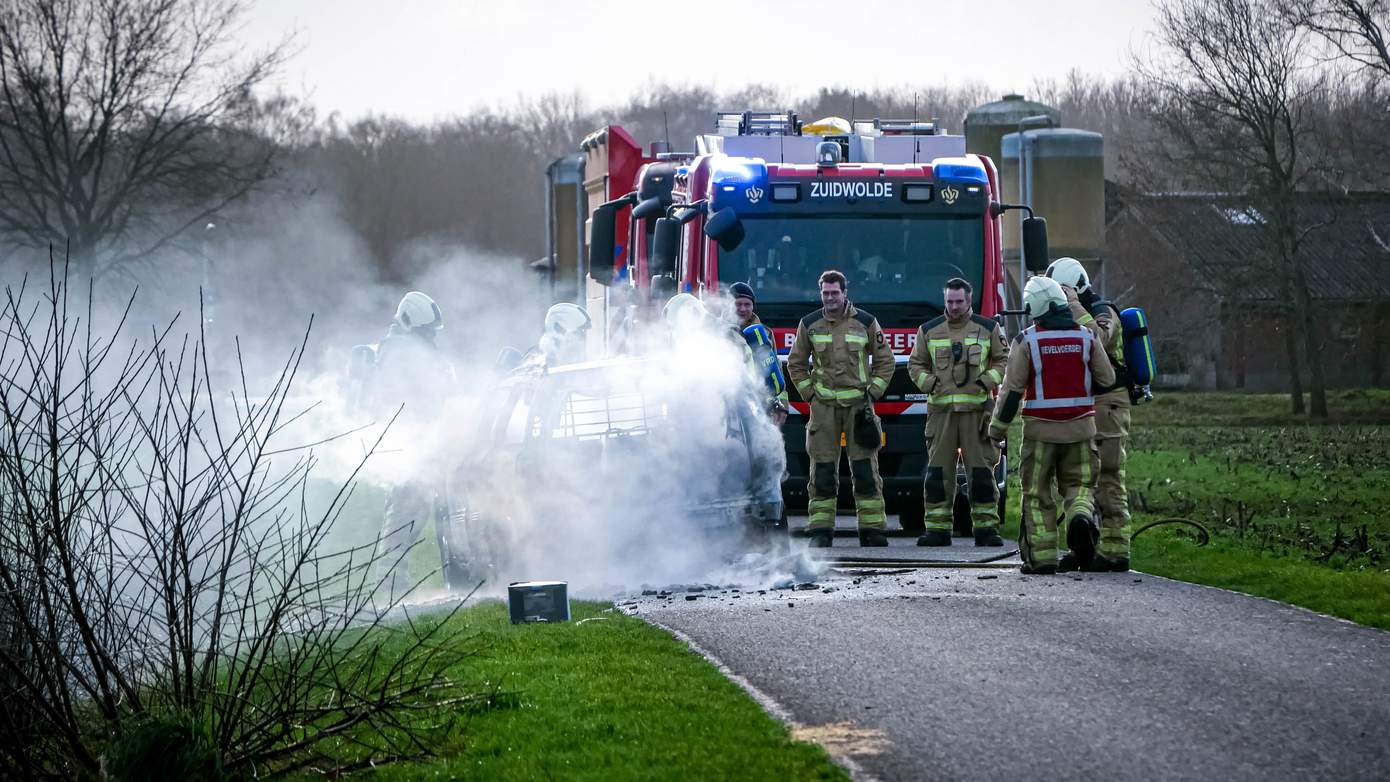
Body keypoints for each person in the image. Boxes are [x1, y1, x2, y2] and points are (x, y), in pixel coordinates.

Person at [988, 276, 1115, 574]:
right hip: (1081, 431)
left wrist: (996, 431)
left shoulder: (1026, 340)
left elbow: (1011, 392)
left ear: (1034, 307)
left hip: (1039, 434)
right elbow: (1107, 379)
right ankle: (1081, 518)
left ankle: (1042, 558)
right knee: (1080, 486)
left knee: (1037, 493)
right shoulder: (1087, 336)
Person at [786, 270, 896, 548]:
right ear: (820, 293)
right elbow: (795, 364)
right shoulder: (809, 324)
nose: (830, 298)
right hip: (823, 408)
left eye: (835, 293)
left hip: (859, 408)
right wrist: (810, 394)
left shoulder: (866, 322)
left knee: (865, 469)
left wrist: (873, 392)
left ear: (845, 293)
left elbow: (886, 361)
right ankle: (821, 530)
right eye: (826, 293)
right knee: (821, 470)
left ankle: (872, 529)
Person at [906, 277, 1008, 547]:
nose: (954, 306)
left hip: (978, 414)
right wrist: (929, 383)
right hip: (941, 414)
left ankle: (987, 529)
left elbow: (1004, 359)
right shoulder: (928, 330)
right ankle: (938, 530)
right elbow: (916, 364)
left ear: (969, 299)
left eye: (959, 301)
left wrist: (987, 380)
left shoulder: (988, 329)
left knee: (982, 474)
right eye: (949, 301)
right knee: (938, 474)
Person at [1047, 258, 1133, 572]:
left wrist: (1072, 304)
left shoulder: (1102, 310)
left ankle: (1115, 550)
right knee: (1079, 477)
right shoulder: (1068, 314)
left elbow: (1099, 338)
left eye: (1064, 292)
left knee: (1108, 476)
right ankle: (1085, 548)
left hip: (1108, 405)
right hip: (1082, 406)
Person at [371, 291, 453, 596]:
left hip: (421, 441)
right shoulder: (399, 353)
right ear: (410, 325)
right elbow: (417, 396)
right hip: (409, 445)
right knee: (404, 516)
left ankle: (393, 586)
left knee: (415, 514)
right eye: (425, 331)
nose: (431, 336)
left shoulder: (405, 349)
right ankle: (390, 589)